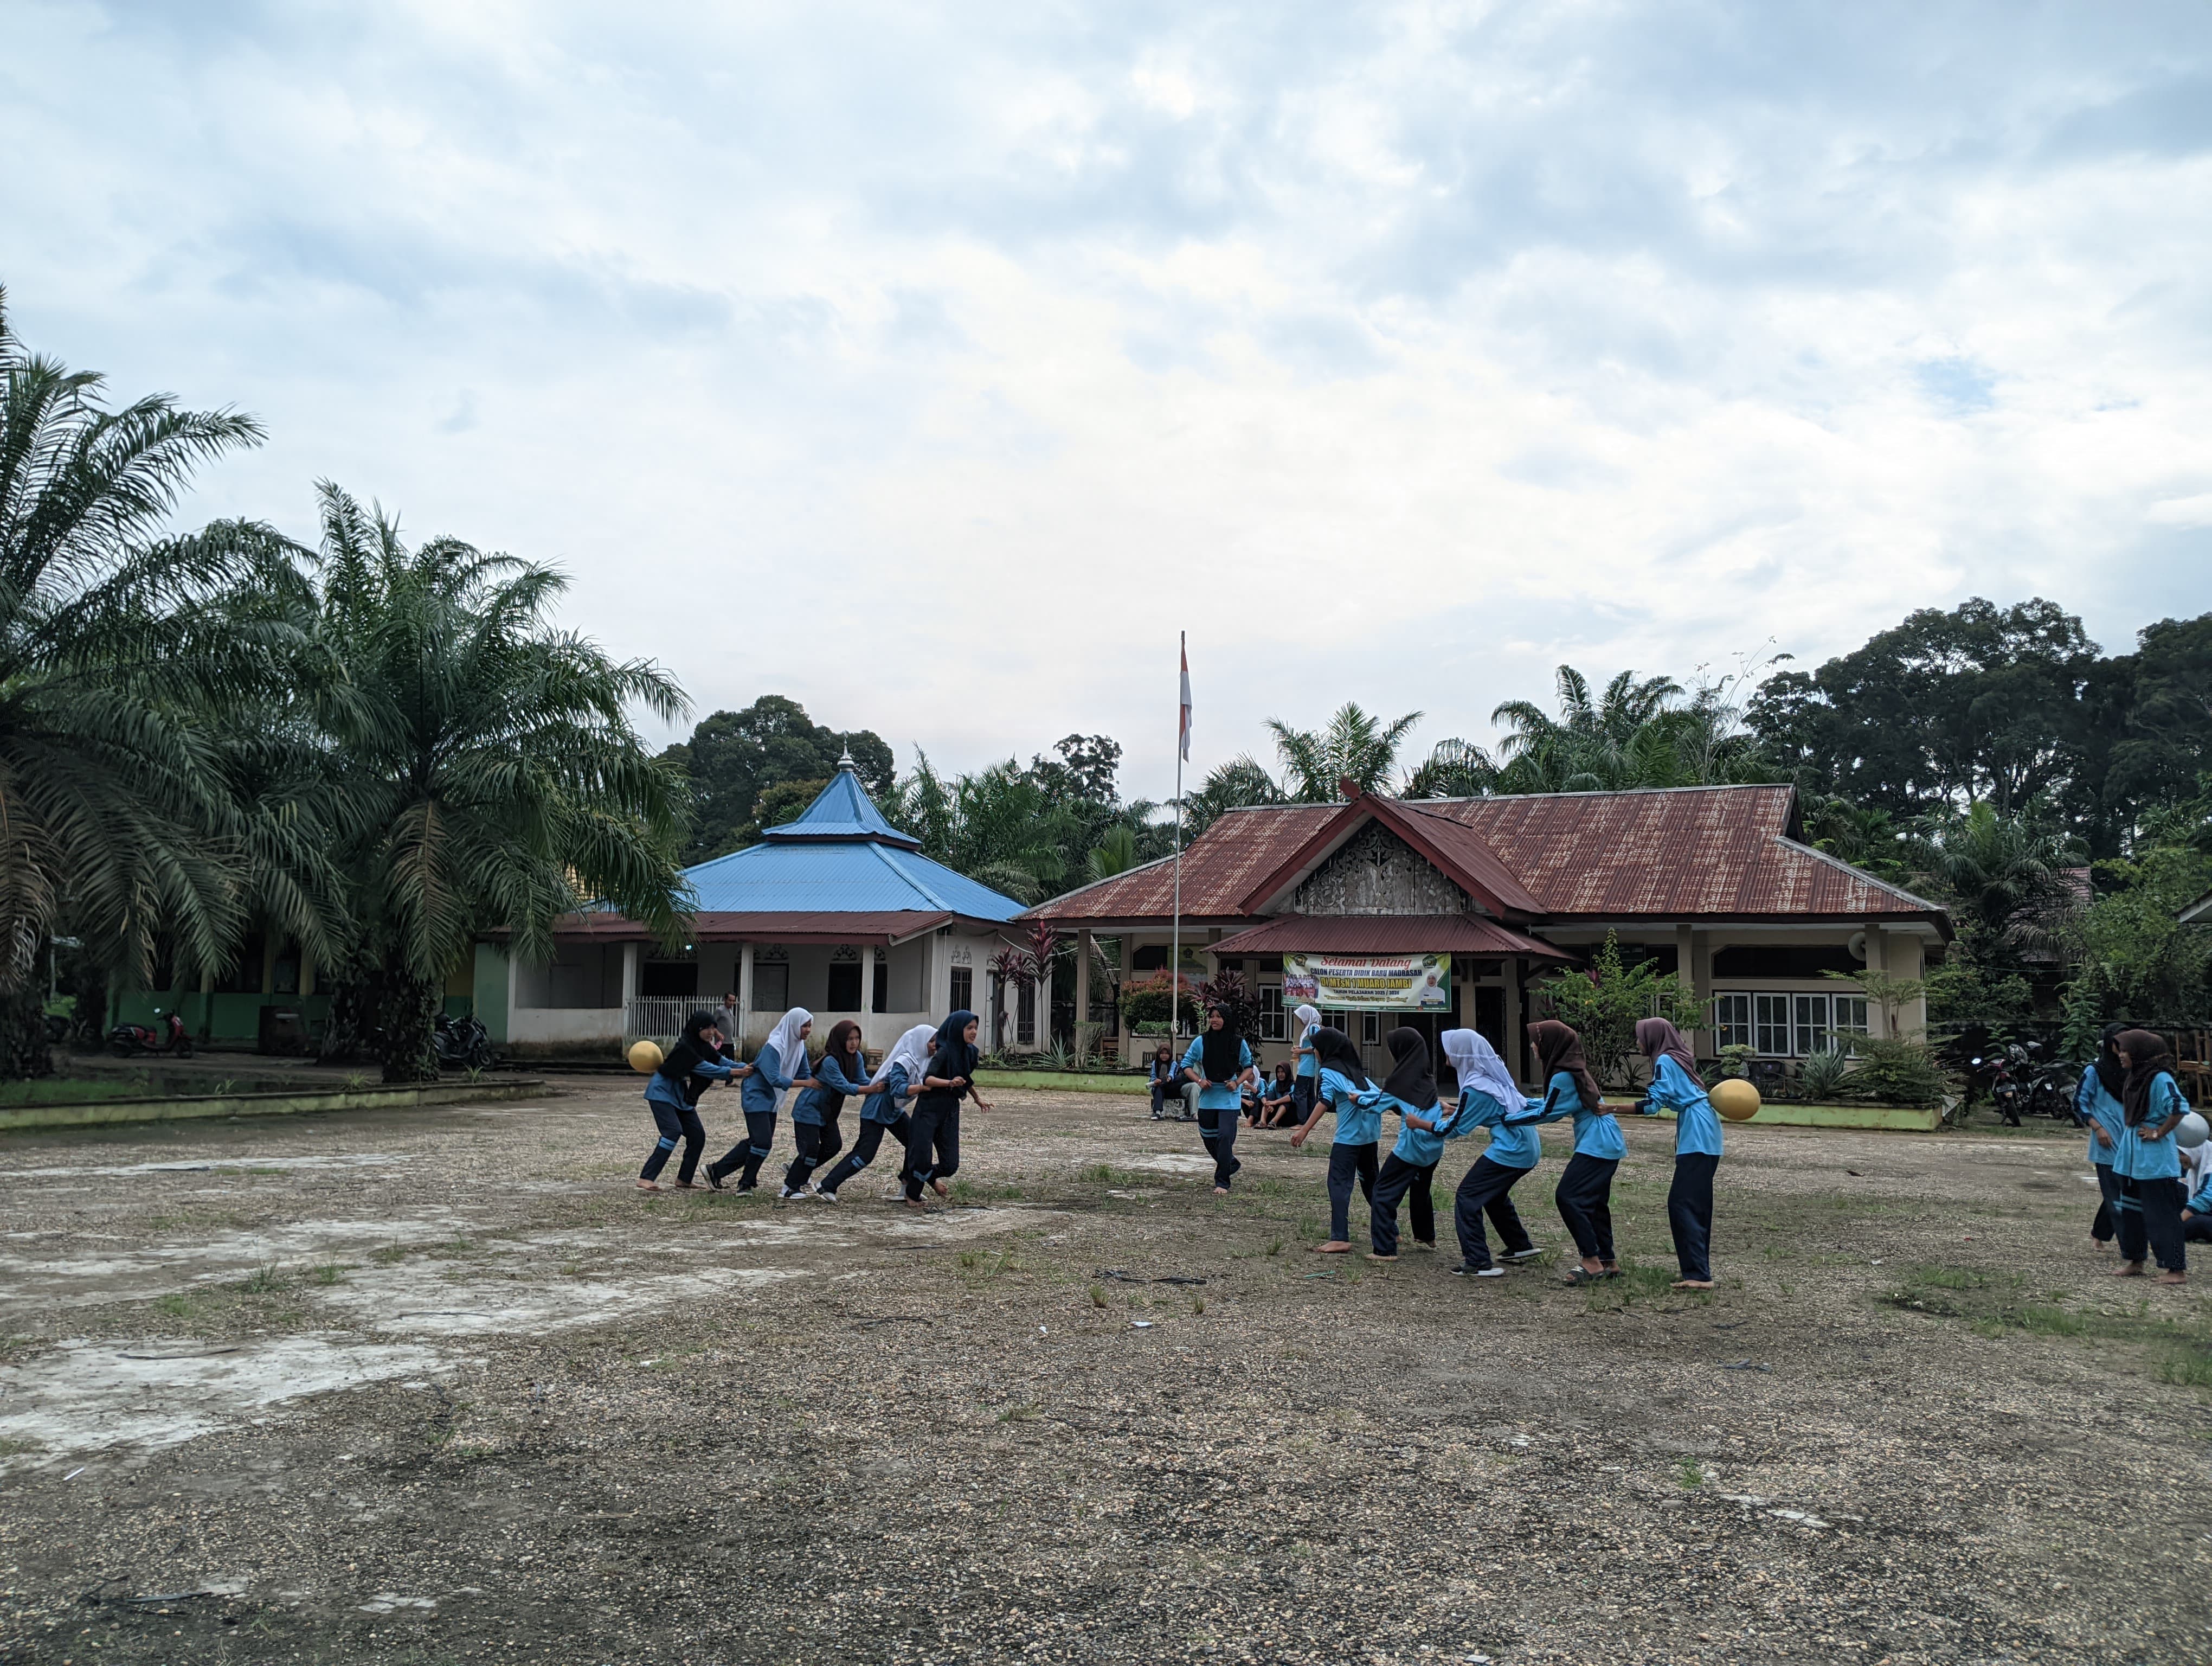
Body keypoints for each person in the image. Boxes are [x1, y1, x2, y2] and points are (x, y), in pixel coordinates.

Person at [1519, 1019, 1623, 1285]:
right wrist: (1516, 1100)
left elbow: (1548, 1113)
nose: (1533, 1045)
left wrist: (1505, 1117)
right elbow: (1549, 1102)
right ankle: (1608, 1261)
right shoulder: (1571, 1070)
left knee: (1568, 1197)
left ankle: (1591, 1261)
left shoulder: (1563, 1075)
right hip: (1607, 1140)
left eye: (1537, 1040)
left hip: (1597, 1144)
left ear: (1550, 1044)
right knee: (1595, 1203)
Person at [1439, 1028, 1544, 1277]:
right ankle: (1519, 1246)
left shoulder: (1475, 1087)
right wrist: (1453, 1109)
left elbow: (1455, 1130)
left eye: (1450, 1047)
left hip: (1512, 1149)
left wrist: (1421, 1125)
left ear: (1461, 1052)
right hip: (1526, 1145)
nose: (1446, 1052)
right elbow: (1485, 1109)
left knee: (1467, 1195)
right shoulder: (1490, 1077)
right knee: (1494, 1195)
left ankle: (1477, 1261)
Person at [1636, 1016, 1722, 1291]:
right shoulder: (1678, 1058)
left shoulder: (1665, 1061)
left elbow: (1652, 1105)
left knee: (1682, 1204)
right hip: (1706, 1130)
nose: (1637, 1042)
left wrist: (1611, 1109)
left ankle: (1698, 1275)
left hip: (1697, 1134)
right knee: (1695, 1204)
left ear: (1653, 1038)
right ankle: (1698, 1272)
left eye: (1639, 1037)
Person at [1290, 1026, 1382, 1254]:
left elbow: (1324, 1101)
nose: (1315, 1052)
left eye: (1317, 1048)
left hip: (1348, 1140)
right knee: (1372, 1185)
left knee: (1338, 1185)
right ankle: (1391, 1230)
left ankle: (1340, 1237)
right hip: (1369, 1138)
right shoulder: (1357, 1072)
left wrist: (1304, 1130)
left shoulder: (1328, 1072)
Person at [814, 1023, 930, 1201]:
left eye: (856, 1039)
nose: (935, 1046)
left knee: (914, 1141)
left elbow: (866, 1079)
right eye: (931, 1041)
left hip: (893, 1109)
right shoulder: (905, 1060)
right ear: (920, 1041)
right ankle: (827, 1185)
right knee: (865, 1153)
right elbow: (898, 1088)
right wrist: (922, 1088)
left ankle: (908, 1187)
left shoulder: (922, 1060)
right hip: (876, 1109)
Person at [2110, 1028, 2188, 1284]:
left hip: (2154, 1159)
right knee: (2131, 1211)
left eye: (2125, 1050)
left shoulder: (2160, 1078)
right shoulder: (2137, 1077)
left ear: (2141, 1053)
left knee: (2162, 1214)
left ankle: (2175, 1269)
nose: (2121, 1055)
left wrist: (2158, 1133)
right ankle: (2136, 1260)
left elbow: (2178, 1108)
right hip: (2132, 1156)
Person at [706, 1006, 814, 1193]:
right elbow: (775, 1079)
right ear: (794, 1025)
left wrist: (819, 1079)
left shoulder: (799, 1047)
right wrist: (808, 1084)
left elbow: (805, 1073)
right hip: (756, 1095)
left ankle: (715, 1171)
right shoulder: (775, 1046)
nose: (808, 1030)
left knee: (758, 1142)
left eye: (810, 1026)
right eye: (805, 1026)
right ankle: (745, 1184)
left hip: (771, 1099)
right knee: (763, 1142)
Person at [638, 1009, 747, 1191]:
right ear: (697, 1028)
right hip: (662, 1092)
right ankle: (646, 1178)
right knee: (672, 1132)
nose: (711, 1032)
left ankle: (684, 1179)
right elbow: (707, 1069)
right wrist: (737, 1073)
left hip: (680, 1094)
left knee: (697, 1136)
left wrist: (749, 1066)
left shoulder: (703, 1046)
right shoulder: (685, 1047)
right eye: (707, 1028)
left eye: (713, 1028)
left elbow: (722, 1062)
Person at [781, 1018, 881, 1200]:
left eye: (857, 1038)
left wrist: (880, 1084)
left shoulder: (856, 1057)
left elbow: (861, 1080)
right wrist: (872, 1090)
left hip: (828, 1112)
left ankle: (799, 1168)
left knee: (833, 1146)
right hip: (809, 1110)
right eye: (849, 1038)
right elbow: (845, 1087)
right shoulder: (830, 1062)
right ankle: (789, 1188)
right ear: (840, 1039)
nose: (854, 1043)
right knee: (811, 1150)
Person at [905, 1009, 992, 1209]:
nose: (974, 1032)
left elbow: (964, 1078)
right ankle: (912, 1194)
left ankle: (922, 1177)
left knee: (951, 1164)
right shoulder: (944, 1051)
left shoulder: (969, 1052)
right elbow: (928, 1079)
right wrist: (949, 1083)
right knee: (922, 1157)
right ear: (956, 1029)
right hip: (929, 1108)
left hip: (950, 1110)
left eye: (976, 1028)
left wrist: (977, 1099)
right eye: (969, 1028)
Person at [1369, 1026, 1443, 1259]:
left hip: (1411, 1149)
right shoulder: (1426, 1076)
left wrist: (1355, 1097)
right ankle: (1425, 1234)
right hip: (1433, 1148)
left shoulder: (1399, 1082)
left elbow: (1375, 1105)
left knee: (1382, 1192)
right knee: (1421, 1188)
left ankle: (1384, 1249)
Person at [1180, 1002, 1252, 1194]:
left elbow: (1249, 1067)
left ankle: (1222, 1182)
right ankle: (1230, 1163)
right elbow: (1186, 1064)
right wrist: (1199, 1080)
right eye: (1212, 1016)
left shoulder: (1239, 1042)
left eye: (1219, 1016)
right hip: (1208, 1096)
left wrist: (1237, 1084)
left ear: (1226, 1019)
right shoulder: (1201, 1042)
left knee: (1225, 1136)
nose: (1214, 1020)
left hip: (1229, 1097)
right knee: (1208, 1136)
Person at [2078, 1024, 2127, 1251]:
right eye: (2119, 1042)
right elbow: (2079, 1102)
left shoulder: (2131, 1070)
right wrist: (2098, 1128)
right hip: (2106, 1141)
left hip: (2129, 1140)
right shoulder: (2095, 1071)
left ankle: (2099, 1232)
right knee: (2114, 1193)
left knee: (2125, 1191)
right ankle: (2130, 1247)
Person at [1148, 1041, 1197, 1121]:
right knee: (1158, 1087)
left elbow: (1172, 1074)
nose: (1164, 1056)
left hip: (1171, 1086)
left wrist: (1169, 1078)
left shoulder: (1173, 1063)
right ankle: (1158, 1112)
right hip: (1159, 1087)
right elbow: (1153, 1076)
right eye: (1162, 1053)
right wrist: (1155, 1081)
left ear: (1170, 1055)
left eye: (1166, 1054)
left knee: (1179, 1080)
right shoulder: (1155, 1064)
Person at [1291, 1003, 1321, 1126]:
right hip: (1306, 1065)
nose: (1300, 1020)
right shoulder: (1311, 1027)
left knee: (1300, 1093)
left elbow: (1315, 1047)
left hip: (1307, 1067)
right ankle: (1309, 1121)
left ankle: (1302, 1121)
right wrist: (1300, 1048)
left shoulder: (1313, 1028)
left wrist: (1300, 1051)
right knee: (1309, 1094)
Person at [1258, 1063, 1298, 1128]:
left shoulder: (1292, 1084)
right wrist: (1268, 1104)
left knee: (1286, 1098)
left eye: (1283, 1072)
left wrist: (1275, 1102)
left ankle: (1274, 1122)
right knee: (1269, 1094)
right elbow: (1264, 1093)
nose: (1280, 1074)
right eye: (1278, 1072)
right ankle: (1263, 1122)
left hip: (1289, 1116)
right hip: (1274, 1112)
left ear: (1287, 1072)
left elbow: (1292, 1096)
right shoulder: (1275, 1083)